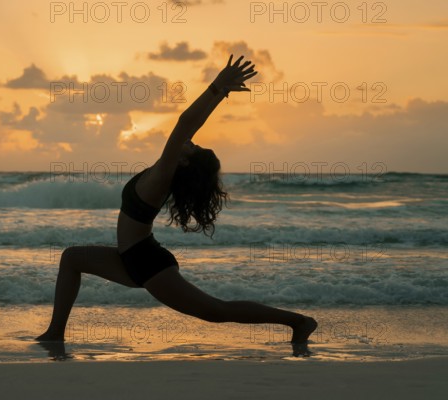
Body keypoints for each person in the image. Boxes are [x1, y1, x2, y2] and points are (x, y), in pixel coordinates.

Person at [36, 55, 317, 355]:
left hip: (147, 263)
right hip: (131, 257)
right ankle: (55, 333)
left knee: (216, 311)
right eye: (192, 142)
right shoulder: (163, 170)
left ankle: (298, 322)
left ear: (183, 161)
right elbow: (186, 130)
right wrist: (219, 93)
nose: (189, 142)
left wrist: (217, 88)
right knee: (71, 258)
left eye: (193, 147)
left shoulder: (162, 175)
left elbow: (186, 122)